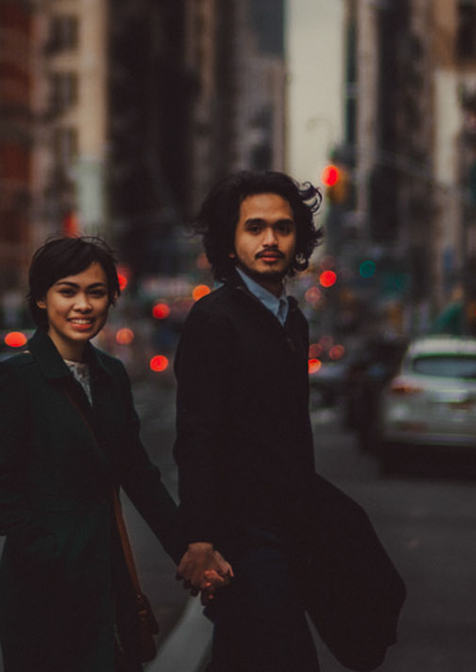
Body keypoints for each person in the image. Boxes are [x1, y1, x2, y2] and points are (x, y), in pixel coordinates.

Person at [0, 235, 204, 672]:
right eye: (68, 291)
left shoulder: (111, 375)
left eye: (96, 292)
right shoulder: (15, 378)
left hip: (108, 574)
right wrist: (46, 549)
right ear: (42, 299)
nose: (83, 305)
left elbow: (137, 472)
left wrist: (187, 550)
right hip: (43, 584)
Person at [174, 170, 325, 672]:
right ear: (230, 240)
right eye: (254, 227)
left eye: (283, 228)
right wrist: (200, 538)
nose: (270, 240)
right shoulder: (215, 319)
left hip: (289, 530)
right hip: (242, 537)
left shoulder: (291, 320)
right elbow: (197, 434)